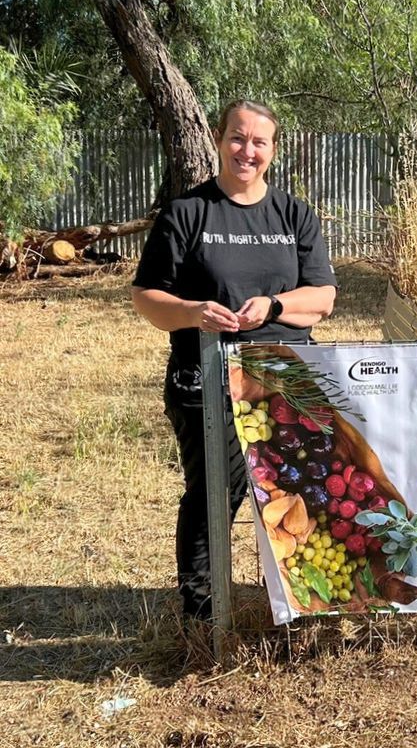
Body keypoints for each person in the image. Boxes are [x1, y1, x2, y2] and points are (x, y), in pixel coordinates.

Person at [132, 100, 338, 620]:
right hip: (204, 377)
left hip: (284, 375)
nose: (247, 151)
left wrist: (274, 305)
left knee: (298, 492)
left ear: (272, 148)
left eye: (259, 142)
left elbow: (323, 298)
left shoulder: (293, 215)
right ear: (219, 140)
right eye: (237, 138)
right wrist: (192, 310)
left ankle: (301, 602)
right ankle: (201, 610)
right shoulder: (187, 213)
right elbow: (146, 298)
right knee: (213, 495)